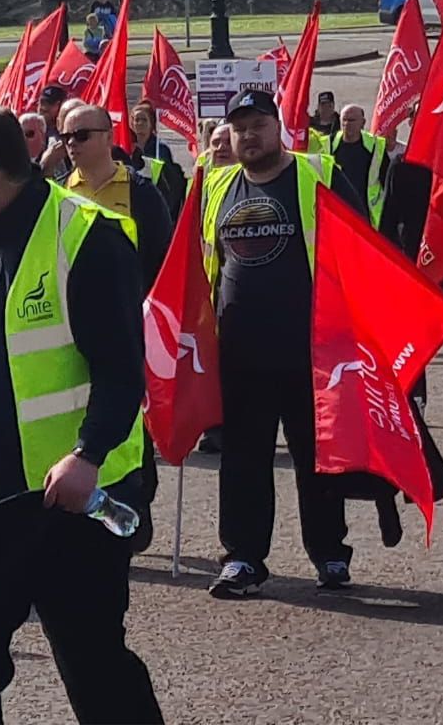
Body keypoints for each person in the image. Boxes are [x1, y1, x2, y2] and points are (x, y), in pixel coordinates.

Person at [0, 107, 161, 723]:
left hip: (62, 502)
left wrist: (89, 454)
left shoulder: (89, 236)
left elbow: (123, 371)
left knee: (95, 667)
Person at [197, 89, 357, 596]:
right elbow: (199, 263)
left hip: (310, 351)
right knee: (243, 460)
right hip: (240, 354)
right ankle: (243, 558)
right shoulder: (217, 186)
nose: (248, 135)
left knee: (318, 459)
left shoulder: (319, 174)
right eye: (240, 127)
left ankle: (330, 554)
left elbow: (362, 250)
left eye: (258, 125)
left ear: (279, 125)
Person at [58, 101, 175, 291]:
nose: (71, 143)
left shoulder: (142, 192)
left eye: (81, 135)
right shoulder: (57, 191)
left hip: (131, 308)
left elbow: (162, 259)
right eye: (65, 137)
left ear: (109, 138)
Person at [320, 103, 392, 228]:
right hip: (337, 214)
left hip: (366, 215)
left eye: (352, 120)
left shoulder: (375, 147)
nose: (347, 124)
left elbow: (387, 182)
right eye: (344, 120)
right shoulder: (328, 144)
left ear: (363, 122)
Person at [127, 101, 187, 217]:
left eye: (144, 120)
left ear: (151, 123)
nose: (139, 123)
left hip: (157, 204)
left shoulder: (161, 149)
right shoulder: (127, 147)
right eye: (136, 119)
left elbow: (171, 183)